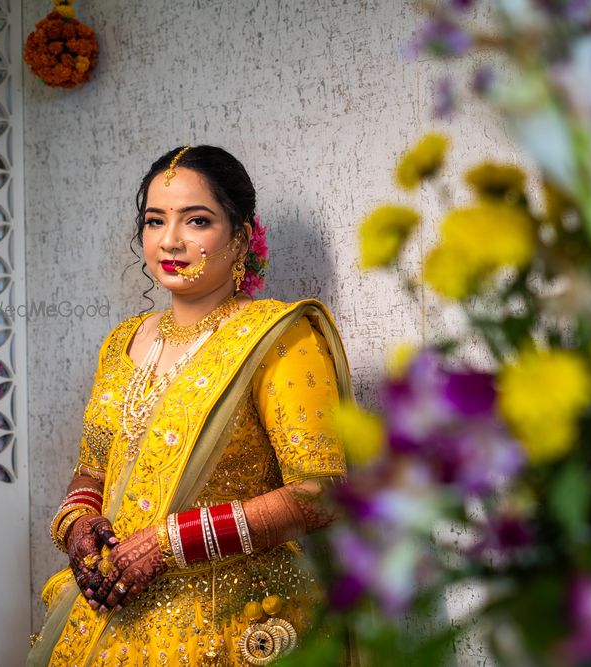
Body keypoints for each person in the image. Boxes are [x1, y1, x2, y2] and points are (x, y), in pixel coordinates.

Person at [28, 145, 353, 666]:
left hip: (230, 620)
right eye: (155, 221)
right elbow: (91, 469)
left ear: (241, 236)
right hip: (109, 610)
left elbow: (320, 493)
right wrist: (78, 526)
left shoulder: (278, 337)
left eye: (196, 220)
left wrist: (167, 544)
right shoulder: (121, 343)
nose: (170, 240)